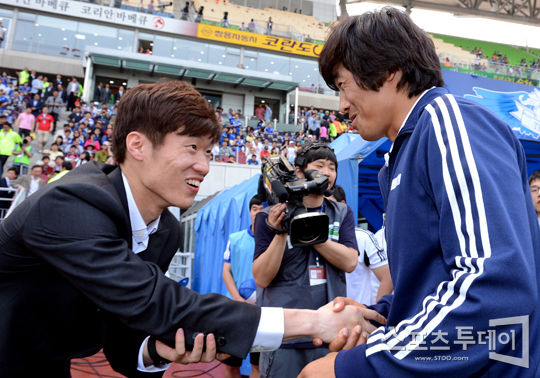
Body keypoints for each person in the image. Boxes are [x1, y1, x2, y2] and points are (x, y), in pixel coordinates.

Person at [0, 81, 380, 377]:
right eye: (191, 147)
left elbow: (123, 326)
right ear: (137, 145)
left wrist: (155, 350)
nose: (204, 166)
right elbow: (157, 302)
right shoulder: (71, 203)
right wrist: (313, 322)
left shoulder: (164, 228)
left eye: (209, 152)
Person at [300, 8, 540, 378]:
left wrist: (364, 364)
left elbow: (493, 289)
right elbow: (435, 283)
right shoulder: (398, 158)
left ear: (386, 71)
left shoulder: (448, 120)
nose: (342, 105)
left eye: (343, 84)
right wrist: (378, 317)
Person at [253, 143, 360, 378]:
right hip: (283, 335)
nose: (328, 172)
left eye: (333, 167)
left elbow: (350, 262)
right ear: (299, 172)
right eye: (319, 165)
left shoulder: (341, 213)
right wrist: (282, 231)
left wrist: (310, 232)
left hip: (330, 331)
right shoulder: (269, 216)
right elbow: (261, 277)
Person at [222, 195, 264, 378]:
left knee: (258, 366)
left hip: (264, 314)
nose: (258, 213)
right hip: (236, 312)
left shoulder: (277, 242)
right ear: (249, 212)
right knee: (231, 365)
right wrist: (238, 299)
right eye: (255, 209)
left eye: (262, 209)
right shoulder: (235, 239)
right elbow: (226, 272)